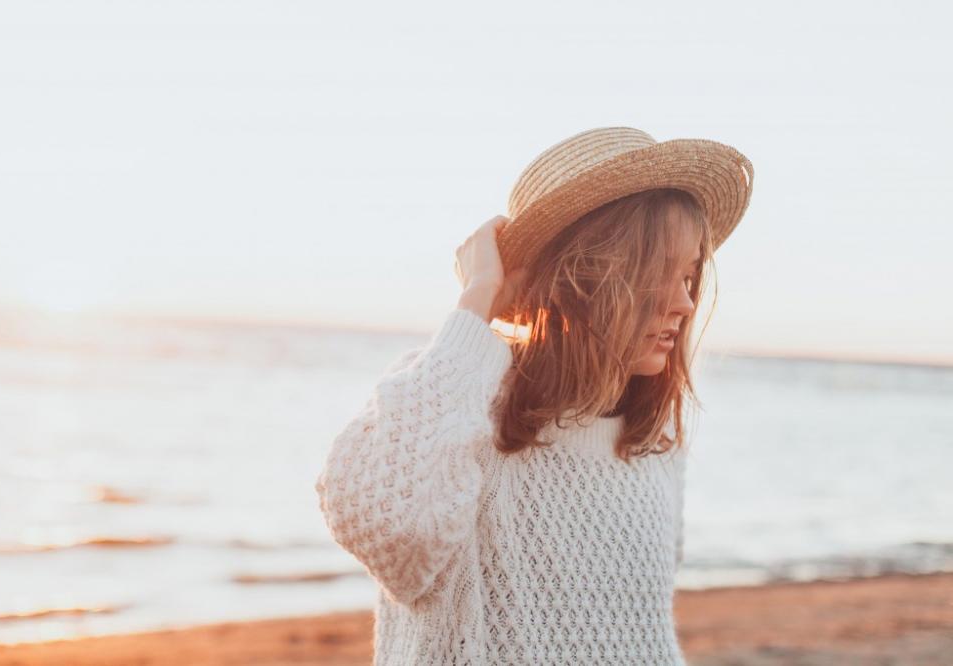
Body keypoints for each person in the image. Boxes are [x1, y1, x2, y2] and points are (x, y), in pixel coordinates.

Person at [315, 127, 754, 665]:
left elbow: (643, 639)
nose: (686, 304)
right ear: (581, 275)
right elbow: (392, 533)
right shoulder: (458, 395)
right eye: (659, 273)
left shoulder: (653, 440)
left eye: (690, 277)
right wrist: (478, 299)